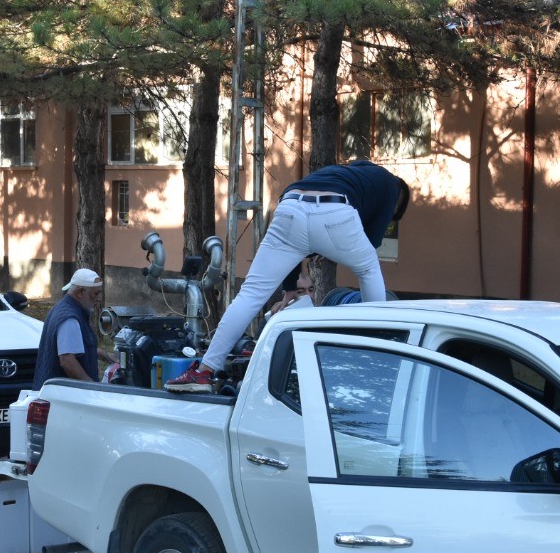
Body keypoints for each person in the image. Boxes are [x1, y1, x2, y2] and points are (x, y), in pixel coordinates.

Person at [168, 159, 409, 391]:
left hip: (289, 206)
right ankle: (381, 347)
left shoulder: (346, 173)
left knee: (250, 294)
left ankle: (204, 371)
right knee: (368, 268)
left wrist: (290, 288)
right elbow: (372, 240)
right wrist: (336, 246)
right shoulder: (390, 184)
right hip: (335, 210)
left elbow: (301, 238)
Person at [32, 268, 104, 387]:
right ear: (80, 292)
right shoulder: (70, 319)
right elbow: (67, 361)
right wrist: (92, 387)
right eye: (95, 294)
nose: (99, 298)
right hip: (61, 396)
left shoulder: (61, 308)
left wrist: (104, 355)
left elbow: (75, 347)